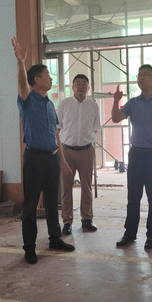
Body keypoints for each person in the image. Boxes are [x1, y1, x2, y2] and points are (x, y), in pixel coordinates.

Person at [13, 37, 75, 264]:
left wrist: (62, 159)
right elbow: (22, 84)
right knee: (30, 205)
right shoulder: (27, 99)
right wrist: (20, 62)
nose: (51, 79)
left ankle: (55, 238)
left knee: (52, 203)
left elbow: (55, 133)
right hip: (34, 158)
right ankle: (29, 248)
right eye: (47, 75)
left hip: (52, 158)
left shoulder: (50, 104)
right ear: (36, 79)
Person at [111, 64, 152, 250]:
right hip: (136, 155)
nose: (141, 78)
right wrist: (116, 101)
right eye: (139, 75)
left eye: (146, 74)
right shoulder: (133, 103)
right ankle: (129, 233)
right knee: (133, 197)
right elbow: (116, 118)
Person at [57, 74, 101, 235]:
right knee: (66, 188)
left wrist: (85, 140)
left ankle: (87, 219)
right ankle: (67, 221)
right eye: (77, 84)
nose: (80, 87)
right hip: (67, 151)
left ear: (88, 88)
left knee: (87, 187)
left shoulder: (93, 105)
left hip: (86, 151)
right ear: (72, 87)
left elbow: (95, 128)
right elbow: (58, 128)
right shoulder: (64, 104)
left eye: (84, 84)